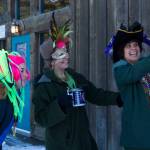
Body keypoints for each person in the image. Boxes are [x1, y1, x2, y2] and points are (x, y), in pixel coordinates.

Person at [32, 13, 122, 150]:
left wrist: (118, 98)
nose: (66, 56)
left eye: (66, 51)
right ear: (51, 61)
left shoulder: (75, 78)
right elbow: (40, 118)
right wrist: (60, 104)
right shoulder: (44, 85)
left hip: (83, 142)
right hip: (62, 145)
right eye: (61, 53)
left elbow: (95, 94)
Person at [110, 21, 150, 150]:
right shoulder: (120, 69)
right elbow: (134, 73)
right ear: (122, 51)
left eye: (136, 45)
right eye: (128, 46)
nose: (133, 48)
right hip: (137, 138)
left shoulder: (145, 63)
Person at [0, 50, 30, 150]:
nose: (26, 75)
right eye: (22, 70)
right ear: (10, 72)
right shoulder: (2, 100)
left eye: (26, 70)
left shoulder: (13, 96)